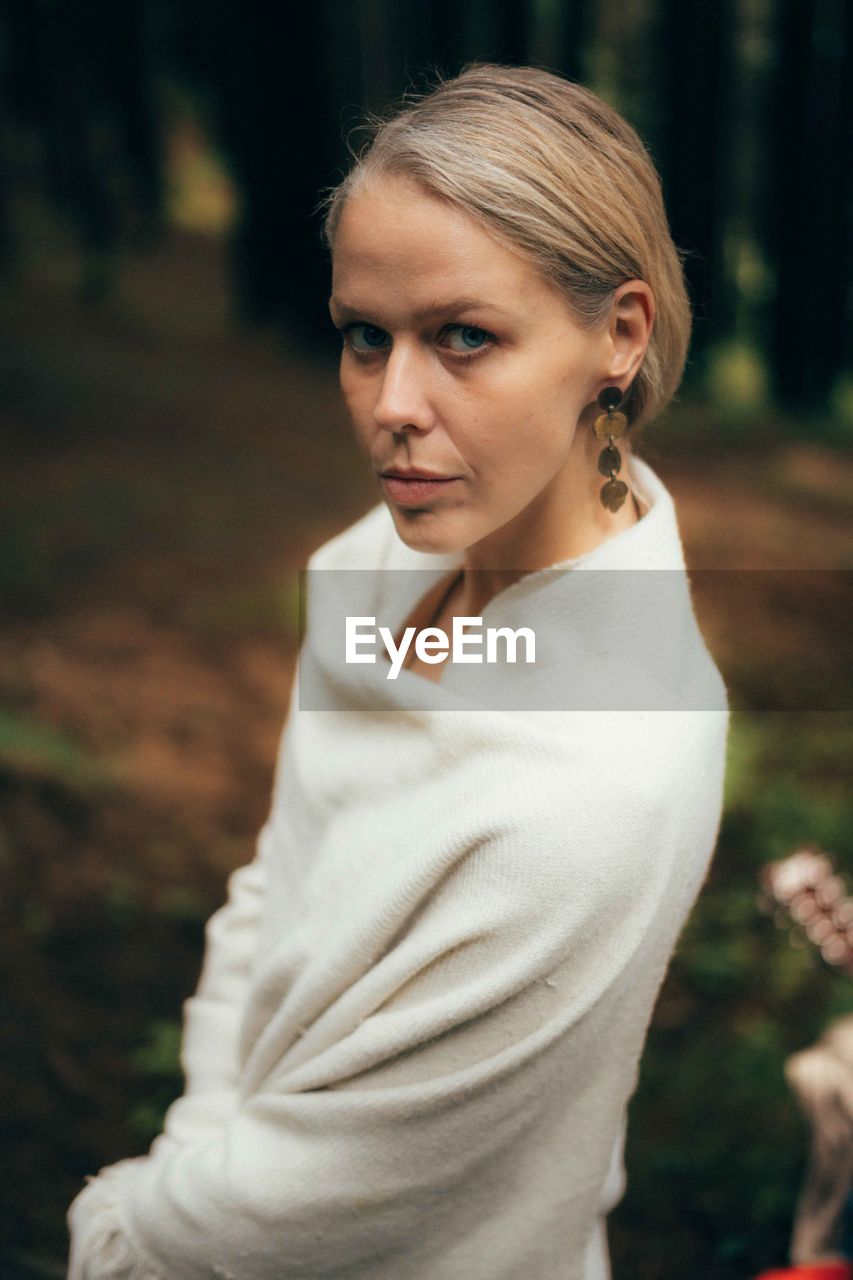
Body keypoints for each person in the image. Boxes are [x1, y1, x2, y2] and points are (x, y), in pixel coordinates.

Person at [66, 64, 729, 1280]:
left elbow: (334, 1199)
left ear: (618, 336)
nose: (392, 405)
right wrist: (201, 1129)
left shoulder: (595, 788)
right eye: (366, 337)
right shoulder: (372, 568)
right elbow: (282, 878)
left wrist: (128, 1224)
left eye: (463, 337)